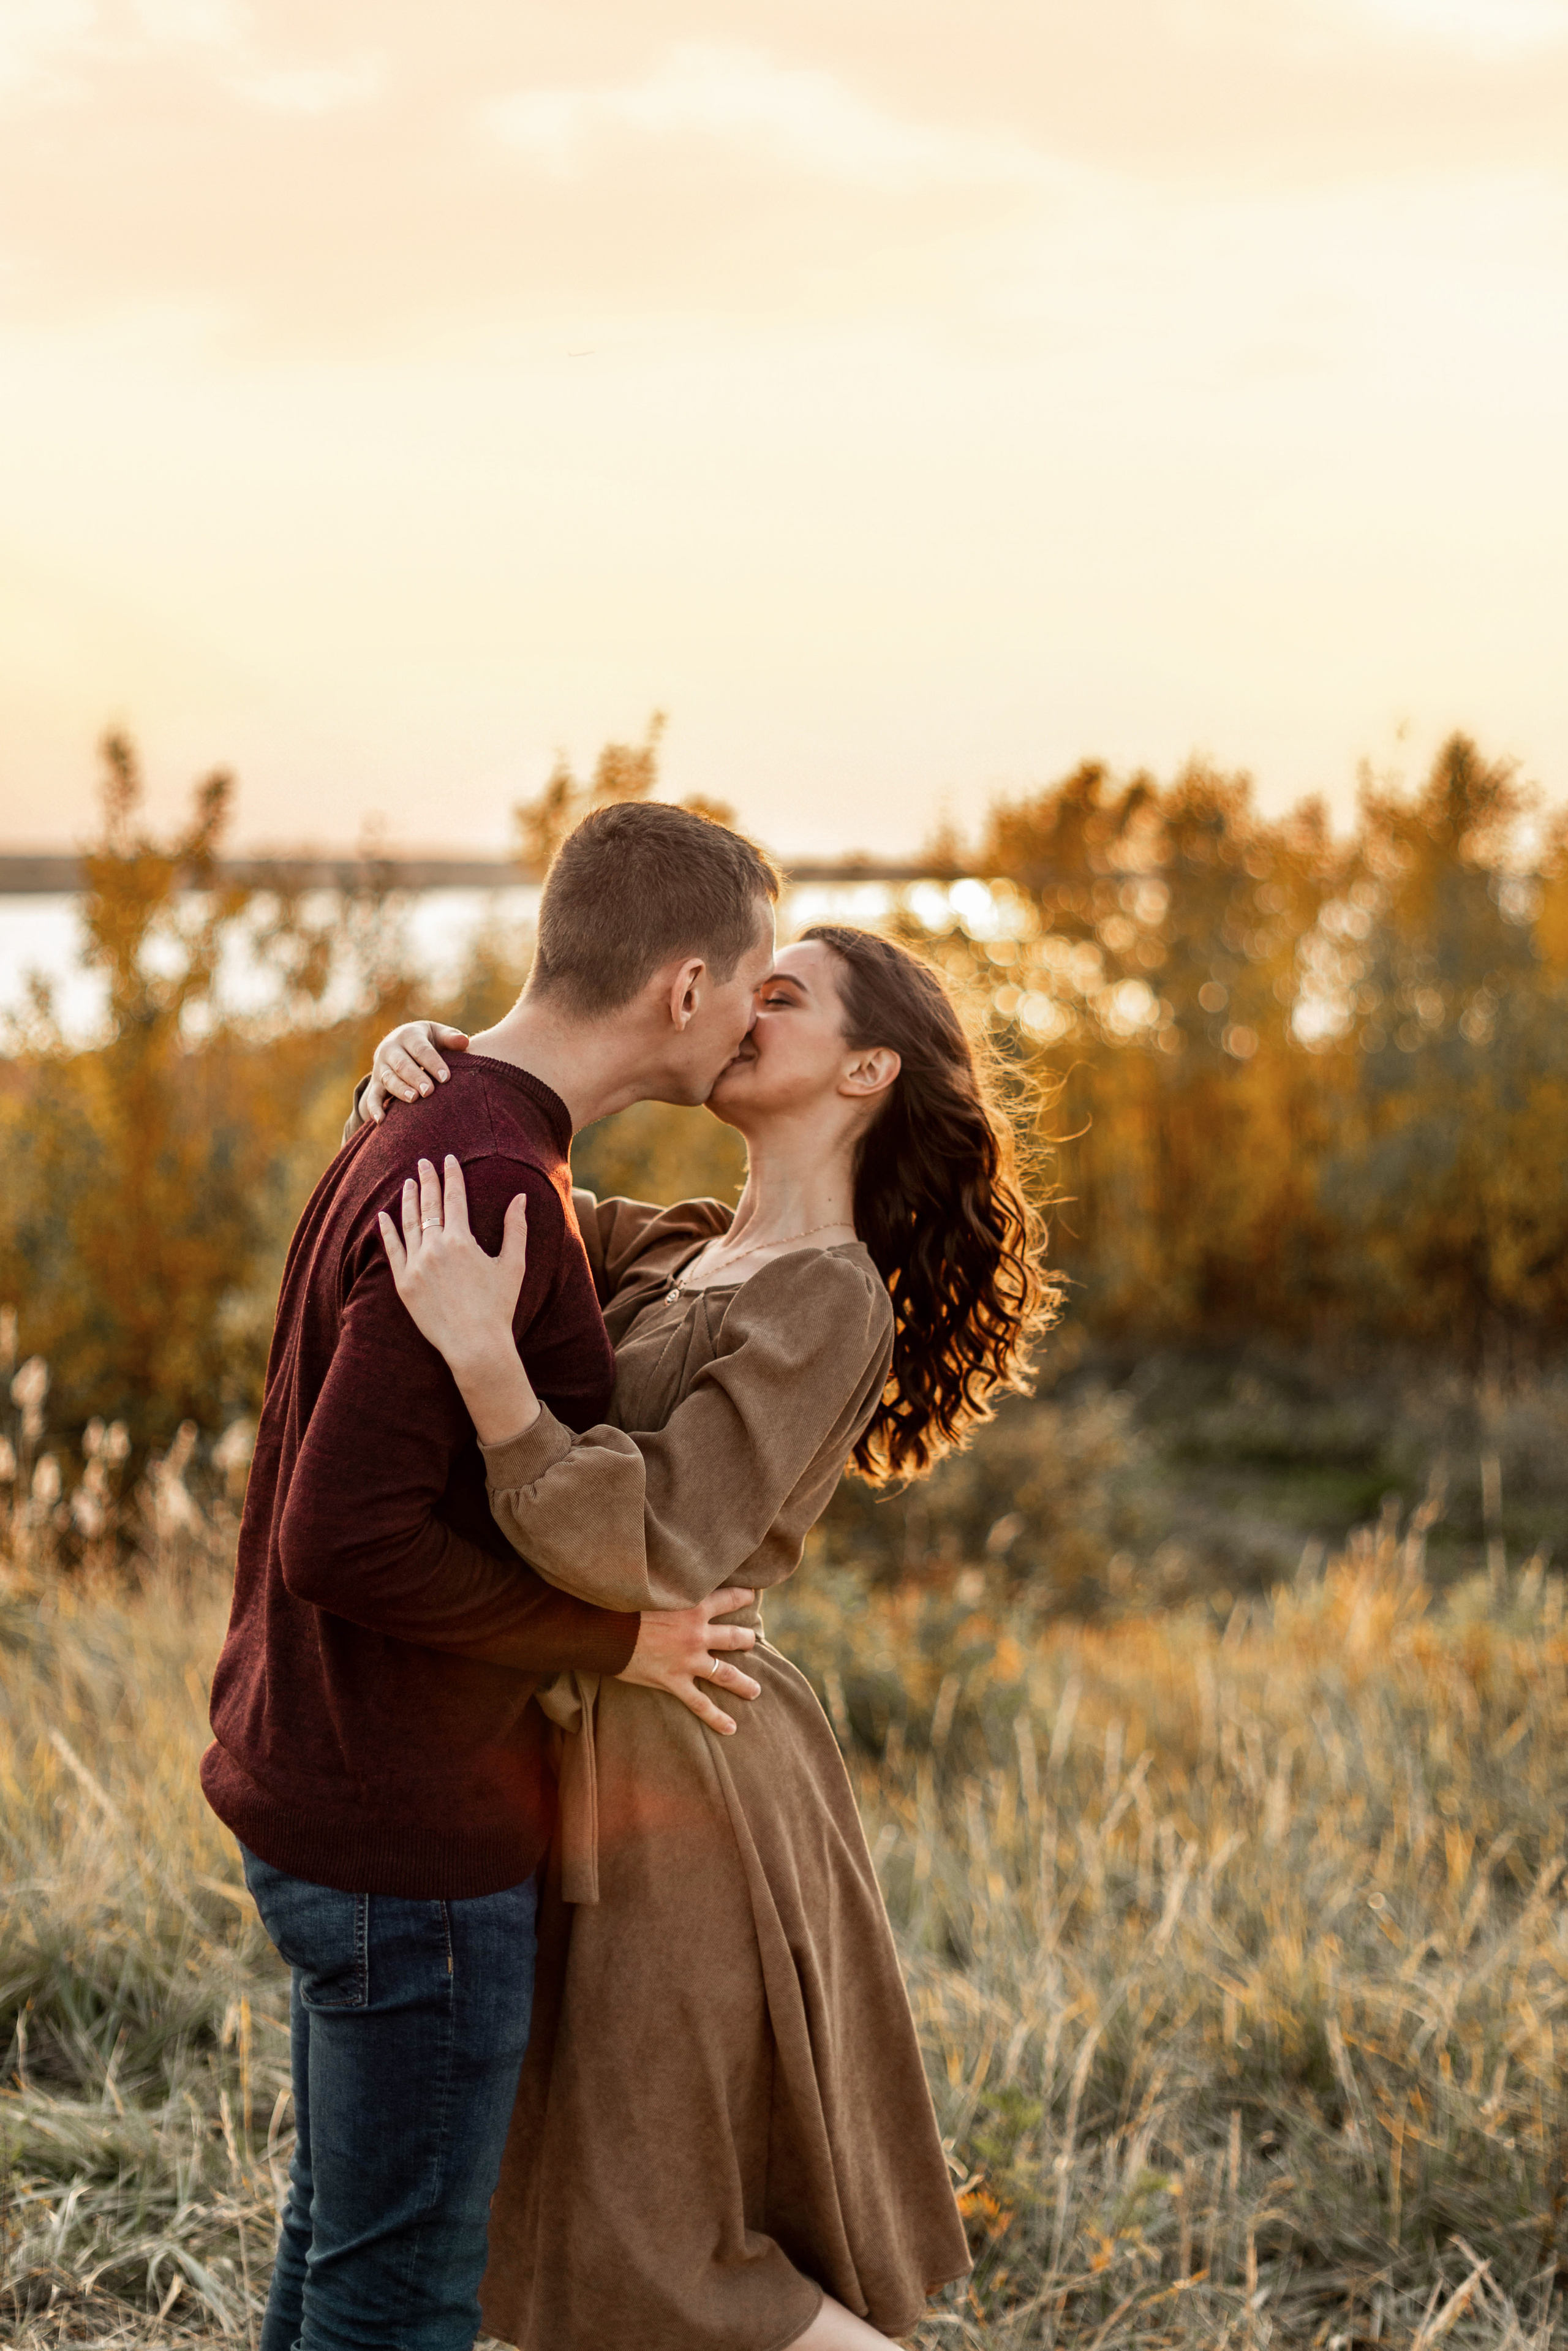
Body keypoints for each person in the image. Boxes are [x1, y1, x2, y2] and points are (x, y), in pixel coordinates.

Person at [360, 921, 1056, 2350]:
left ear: (865, 1069)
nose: (744, 1006)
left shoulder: (827, 1295)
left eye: (781, 995)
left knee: (658, 2246)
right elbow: (503, 1186)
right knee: (565, 2211)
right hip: (585, 1751)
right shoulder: (680, 1242)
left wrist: (493, 1378)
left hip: (691, 1777)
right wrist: (433, 1065)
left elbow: (659, 1541)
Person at [202, 800, 782, 2351]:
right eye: (752, 981)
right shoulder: (485, 1176)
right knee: (394, 2304)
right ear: (680, 988)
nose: (753, 1013)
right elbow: (346, 1534)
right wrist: (615, 1635)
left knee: (342, 2251)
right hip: (406, 1839)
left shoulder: (450, 1124)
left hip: (338, 1787)